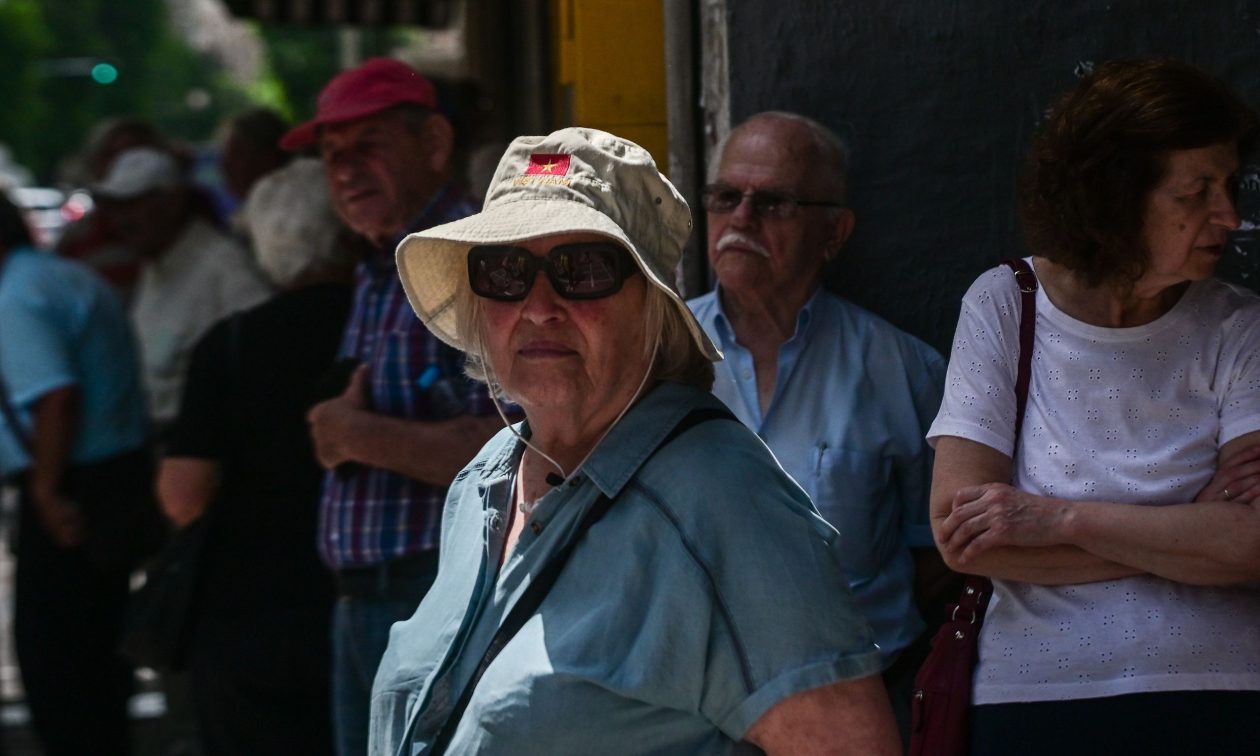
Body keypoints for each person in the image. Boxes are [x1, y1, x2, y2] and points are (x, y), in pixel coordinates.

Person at [369, 127, 900, 755]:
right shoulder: (486, 477)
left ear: (653, 306)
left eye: (582, 270)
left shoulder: (723, 500)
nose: (539, 307)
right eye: (505, 271)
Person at [929, 59, 1260, 755]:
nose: (1228, 215)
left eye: (1228, 186)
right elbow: (965, 538)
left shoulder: (1240, 325)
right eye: (1197, 191)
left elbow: (1254, 543)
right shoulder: (1004, 304)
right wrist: (1190, 528)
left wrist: (1058, 519)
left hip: (1221, 692)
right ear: (1117, 193)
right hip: (1037, 700)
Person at [688, 111, 949, 720]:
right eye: (726, 197)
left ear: (834, 232)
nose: (741, 220)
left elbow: (940, 554)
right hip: (692, 710)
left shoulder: (904, 371)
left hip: (861, 702)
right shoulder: (656, 361)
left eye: (774, 203)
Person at [281, 57, 502, 756]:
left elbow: (514, 451)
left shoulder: (472, 259)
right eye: (331, 156)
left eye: (368, 146)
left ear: (433, 144)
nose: (344, 172)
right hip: (364, 603)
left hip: (435, 595)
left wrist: (353, 434)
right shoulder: (379, 267)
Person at [156, 158, 354, 755]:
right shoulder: (382, 326)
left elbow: (184, 494)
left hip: (247, 617)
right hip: (364, 600)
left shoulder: (232, 344)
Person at [0, 192, 149, 755]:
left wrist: (44, 491)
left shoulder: (16, 296)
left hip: (74, 487)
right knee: (95, 656)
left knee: (59, 666)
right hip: (110, 476)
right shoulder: (61, 276)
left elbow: (55, 397)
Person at [94, 146, 273, 431]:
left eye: (134, 204)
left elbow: (264, 369)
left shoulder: (226, 269)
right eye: (115, 206)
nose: (121, 220)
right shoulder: (156, 261)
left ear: (174, 201)